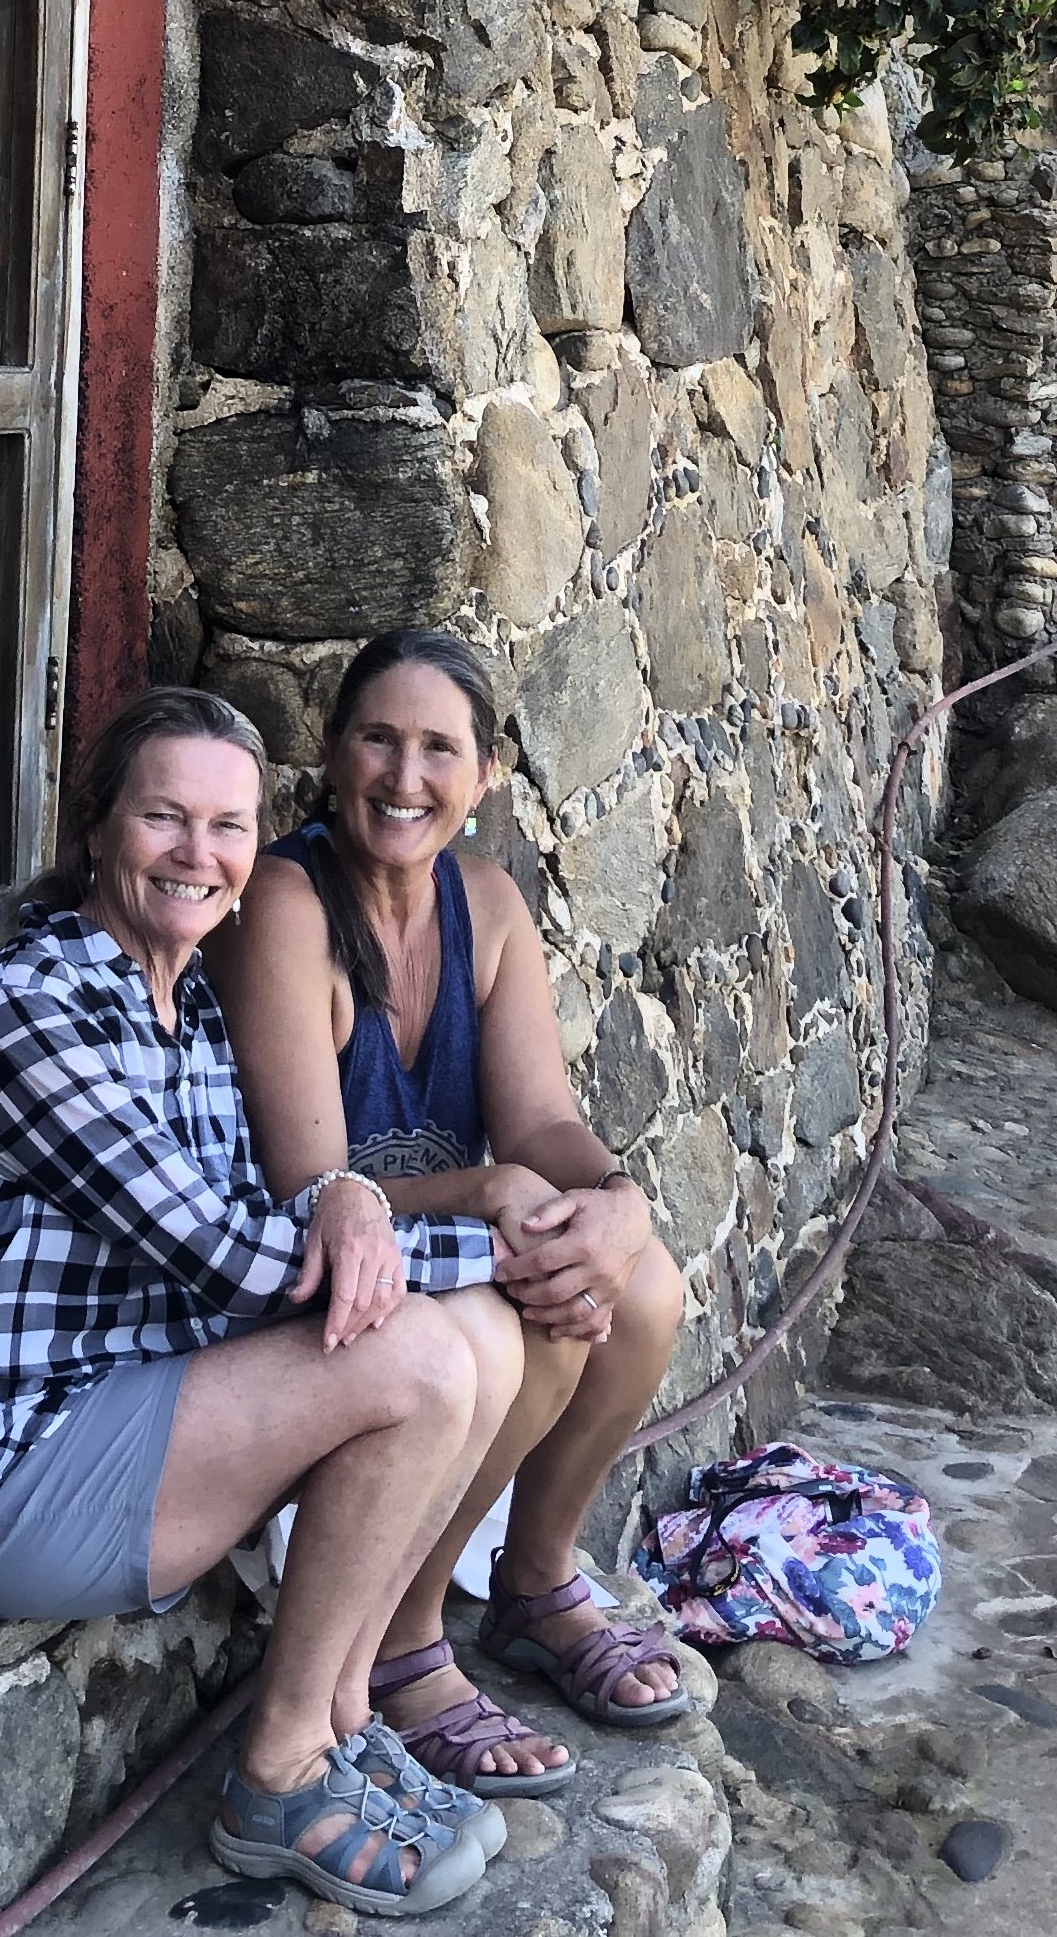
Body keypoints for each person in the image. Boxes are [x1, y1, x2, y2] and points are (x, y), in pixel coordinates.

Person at [0, 684, 530, 1917]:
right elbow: (226, 1254)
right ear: (100, 828)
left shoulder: (192, 1010)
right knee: (430, 1354)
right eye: (164, 816)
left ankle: (333, 1717)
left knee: (479, 1340)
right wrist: (504, 1245)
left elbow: (286, 1219)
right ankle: (274, 1781)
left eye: (228, 828)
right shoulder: (33, 1006)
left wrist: (376, 1214)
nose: (199, 854)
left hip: (130, 1412)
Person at [208, 628, 689, 1803]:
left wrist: (614, 1200)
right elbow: (310, 1187)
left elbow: (538, 1120)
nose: (404, 776)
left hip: (441, 1257)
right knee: (528, 1317)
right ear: (332, 755)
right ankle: (408, 1636)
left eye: (438, 748)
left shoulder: (488, 903)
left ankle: (532, 1579)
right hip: (318, 1278)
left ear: (485, 777)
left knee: (643, 1286)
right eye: (378, 737)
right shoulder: (286, 900)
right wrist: (485, 1190)